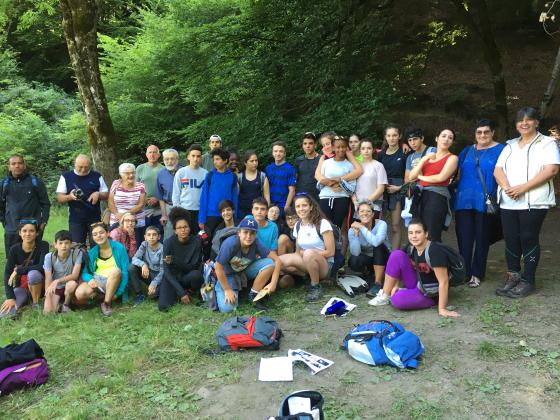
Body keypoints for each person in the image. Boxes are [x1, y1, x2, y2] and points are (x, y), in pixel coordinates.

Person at [494, 107, 560, 298]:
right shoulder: (510, 145)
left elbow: (551, 170)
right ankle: (513, 276)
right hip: (508, 201)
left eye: (529, 120)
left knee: (528, 237)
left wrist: (522, 188)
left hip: (534, 201)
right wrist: (508, 188)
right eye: (520, 120)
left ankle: (528, 280)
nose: (524, 123)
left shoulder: (547, 143)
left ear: (536, 122)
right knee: (511, 238)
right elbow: (498, 171)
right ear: (516, 124)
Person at [368, 219, 460, 318]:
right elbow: (397, 265)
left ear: (426, 234)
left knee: (397, 300)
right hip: (418, 283)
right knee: (396, 255)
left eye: (418, 232)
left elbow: (444, 281)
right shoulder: (411, 247)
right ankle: (385, 295)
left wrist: (442, 309)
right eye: (410, 233)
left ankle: (423, 299)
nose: (414, 236)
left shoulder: (435, 251)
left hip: (430, 293)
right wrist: (395, 284)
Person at [454, 119, 504, 288]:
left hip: (485, 202)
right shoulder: (467, 150)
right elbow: (450, 165)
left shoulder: (501, 150)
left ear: (492, 133)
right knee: (464, 239)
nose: (482, 135)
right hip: (463, 201)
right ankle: (464, 272)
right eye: (479, 132)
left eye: (486, 132)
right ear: (475, 134)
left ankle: (477, 273)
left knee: (482, 239)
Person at [214, 218, 281, 312]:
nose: (249, 236)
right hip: (227, 275)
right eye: (245, 232)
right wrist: (227, 289)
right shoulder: (230, 244)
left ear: (256, 234)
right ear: (239, 233)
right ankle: (225, 288)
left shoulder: (256, 242)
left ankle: (253, 294)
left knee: (269, 263)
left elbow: (277, 260)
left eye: (252, 233)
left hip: (244, 271)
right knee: (228, 308)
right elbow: (218, 267)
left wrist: (273, 283)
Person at [279, 194, 335, 302]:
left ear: (311, 207)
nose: (301, 209)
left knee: (308, 253)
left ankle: (315, 286)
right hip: (307, 261)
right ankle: (304, 278)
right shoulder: (298, 225)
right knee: (278, 261)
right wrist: (297, 257)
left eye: (304, 205)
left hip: (325, 266)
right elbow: (297, 252)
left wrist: (309, 253)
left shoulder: (322, 223)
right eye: (298, 206)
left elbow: (330, 252)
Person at [408, 128, 458, 242]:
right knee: (417, 233)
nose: (446, 139)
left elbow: (441, 178)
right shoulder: (428, 157)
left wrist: (420, 177)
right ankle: (418, 259)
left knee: (432, 234)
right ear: (437, 138)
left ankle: (433, 258)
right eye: (443, 136)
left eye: (450, 138)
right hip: (420, 195)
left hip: (436, 196)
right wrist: (423, 160)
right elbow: (411, 176)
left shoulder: (452, 158)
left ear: (452, 142)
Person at [75, 222, 129, 316]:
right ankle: (102, 296)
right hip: (98, 280)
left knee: (116, 271)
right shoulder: (92, 252)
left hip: (114, 279)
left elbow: (125, 272)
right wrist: (90, 279)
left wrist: (119, 293)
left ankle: (107, 303)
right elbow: (85, 272)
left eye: (101, 233)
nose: (98, 236)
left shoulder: (119, 248)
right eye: (95, 234)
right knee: (80, 293)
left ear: (107, 233)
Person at [0, 155, 50, 253]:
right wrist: (4, 222)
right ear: (9, 167)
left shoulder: (35, 182)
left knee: (33, 257)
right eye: (13, 164)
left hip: (33, 227)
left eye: (19, 163)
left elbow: (45, 204)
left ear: (24, 165)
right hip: (12, 228)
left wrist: (43, 222)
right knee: (12, 257)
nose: (17, 166)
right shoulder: (4, 183)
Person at [56, 154, 109, 245]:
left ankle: (95, 259)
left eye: (86, 167)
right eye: (80, 167)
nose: (83, 169)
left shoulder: (96, 176)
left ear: (90, 165)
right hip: (75, 218)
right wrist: (70, 196)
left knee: (97, 245)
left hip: (95, 218)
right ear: (74, 164)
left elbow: (106, 195)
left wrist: (98, 194)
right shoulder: (66, 176)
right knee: (77, 247)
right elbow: (59, 198)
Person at [0, 220, 49, 318]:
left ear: (37, 233)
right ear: (19, 233)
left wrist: (18, 270)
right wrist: (10, 297)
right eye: (24, 231)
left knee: (33, 274)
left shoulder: (43, 245)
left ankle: (35, 303)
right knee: (6, 314)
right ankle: (22, 302)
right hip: (22, 286)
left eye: (31, 231)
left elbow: (42, 266)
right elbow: (7, 274)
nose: (28, 234)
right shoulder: (14, 249)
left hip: (39, 285)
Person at [158, 207, 204, 311]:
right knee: (163, 307)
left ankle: (190, 292)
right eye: (179, 228)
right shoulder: (168, 243)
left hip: (187, 276)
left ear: (189, 228)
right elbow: (166, 271)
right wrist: (181, 293)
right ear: (175, 230)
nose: (183, 230)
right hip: (172, 277)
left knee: (196, 275)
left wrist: (174, 261)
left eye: (185, 227)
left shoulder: (196, 241)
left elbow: (193, 267)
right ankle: (182, 293)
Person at [317, 136, 362, 228]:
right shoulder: (326, 163)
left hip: (341, 199)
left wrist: (341, 182)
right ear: (333, 148)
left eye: (343, 147)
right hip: (324, 198)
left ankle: (336, 242)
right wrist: (331, 183)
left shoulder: (350, 165)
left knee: (337, 227)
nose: (341, 149)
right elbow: (319, 185)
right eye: (338, 147)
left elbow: (351, 190)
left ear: (347, 148)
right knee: (325, 227)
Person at [348, 201, 390, 297]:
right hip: (369, 259)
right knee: (354, 260)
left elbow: (376, 242)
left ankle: (378, 283)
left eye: (368, 211)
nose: (365, 213)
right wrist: (355, 235)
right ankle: (369, 275)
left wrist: (362, 228)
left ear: (373, 214)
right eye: (362, 211)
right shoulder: (353, 229)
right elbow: (356, 252)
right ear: (357, 214)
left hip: (384, 258)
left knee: (378, 246)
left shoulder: (381, 224)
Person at [378, 127, 407, 250]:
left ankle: (395, 255)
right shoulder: (381, 154)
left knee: (395, 225)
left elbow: (409, 176)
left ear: (399, 136)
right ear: (385, 137)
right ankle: (381, 255)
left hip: (397, 191)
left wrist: (399, 188)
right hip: (382, 190)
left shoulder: (405, 153)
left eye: (394, 135)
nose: (391, 138)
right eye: (389, 135)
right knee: (380, 224)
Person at [198, 148, 238, 238]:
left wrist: (234, 215)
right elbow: (204, 197)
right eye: (214, 160)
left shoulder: (232, 176)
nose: (215, 162)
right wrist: (201, 219)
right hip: (211, 215)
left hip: (227, 215)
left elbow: (235, 198)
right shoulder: (210, 175)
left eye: (217, 159)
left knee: (227, 239)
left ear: (225, 160)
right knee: (209, 242)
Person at [43, 230, 82, 314]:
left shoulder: (77, 254)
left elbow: (75, 275)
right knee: (48, 312)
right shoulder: (49, 257)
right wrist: (47, 295)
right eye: (60, 243)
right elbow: (48, 278)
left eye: (66, 243)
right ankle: (58, 303)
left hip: (70, 285)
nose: (63, 246)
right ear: (55, 245)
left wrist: (58, 280)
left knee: (72, 284)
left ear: (71, 244)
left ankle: (65, 305)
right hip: (55, 287)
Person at [172, 144, 208, 234]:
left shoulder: (205, 174)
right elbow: (176, 193)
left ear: (201, 158)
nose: (195, 159)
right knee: (184, 236)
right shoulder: (181, 172)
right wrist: (178, 212)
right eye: (193, 156)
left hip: (200, 211)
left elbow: (208, 195)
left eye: (198, 156)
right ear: (188, 157)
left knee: (199, 237)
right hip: (184, 210)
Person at [108, 163, 146, 240]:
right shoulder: (115, 184)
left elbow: (141, 204)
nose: (131, 175)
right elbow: (110, 202)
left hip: (136, 221)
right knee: (117, 245)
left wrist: (124, 215)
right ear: (121, 174)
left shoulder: (141, 186)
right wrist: (116, 214)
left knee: (135, 244)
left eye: (133, 172)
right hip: (116, 220)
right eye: (127, 173)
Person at [353, 138, 387, 220]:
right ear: (360, 150)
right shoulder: (356, 167)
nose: (366, 151)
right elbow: (351, 187)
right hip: (358, 207)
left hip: (374, 206)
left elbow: (381, 189)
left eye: (369, 148)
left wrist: (365, 202)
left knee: (373, 231)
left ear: (373, 150)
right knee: (359, 231)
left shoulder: (378, 166)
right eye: (363, 148)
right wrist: (355, 202)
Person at [129, 226, 163, 305]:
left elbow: (163, 270)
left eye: (154, 235)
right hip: (147, 273)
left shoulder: (163, 249)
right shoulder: (144, 245)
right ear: (145, 237)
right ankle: (139, 294)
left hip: (158, 276)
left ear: (159, 237)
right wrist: (143, 264)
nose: (151, 237)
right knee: (131, 268)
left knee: (152, 296)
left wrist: (154, 283)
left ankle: (156, 290)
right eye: (149, 235)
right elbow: (134, 258)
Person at [136, 145, 164, 236]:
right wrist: (145, 199)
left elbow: (167, 189)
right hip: (142, 211)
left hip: (159, 210)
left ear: (159, 155)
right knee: (142, 236)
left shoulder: (163, 169)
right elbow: (135, 188)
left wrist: (157, 198)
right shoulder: (140, 168)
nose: (152, 155)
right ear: (146, 155)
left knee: (157, 236)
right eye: (150, 152)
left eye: (155, 152)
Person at [156, 149, 182, 240]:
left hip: (184, 207)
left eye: (172, 159)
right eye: (166, 159)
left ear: (177, 159)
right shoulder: (160, 174)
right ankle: (168, 254)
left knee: (184, 232)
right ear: (163, 160)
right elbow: (160, 196)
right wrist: (164, 214)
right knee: (169, 235)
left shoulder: (184, 171)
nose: (169, 162)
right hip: (168, 207)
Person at [265, 141, 297, 216]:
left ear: (285, 153)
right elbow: (266, 189)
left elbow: (292, 190)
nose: (278, 153)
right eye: (275, 151)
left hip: (283, 206)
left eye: (281, 151)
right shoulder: (268, 168)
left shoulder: (290, 169)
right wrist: (268, 205)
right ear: (272, 153)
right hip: (271, 205)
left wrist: (286, 207)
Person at [237, 150, 270, 219]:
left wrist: (267, 211)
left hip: (258, 212)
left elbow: (267, 196)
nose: (255, 163)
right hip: (242, 212)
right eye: (252, 161)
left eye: (256, 160)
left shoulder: (262, 176)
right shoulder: (239, 177)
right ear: (245, 163)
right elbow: (236, 195)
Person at [295, 132, 321, 200]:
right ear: (302, 145)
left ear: (315, 145)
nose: (307, 146)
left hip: (318, 196)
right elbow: (296, 179)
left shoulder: (322, 159)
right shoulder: (298, 160)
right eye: (305, 143)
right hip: (302, 197)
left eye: (310, 143)